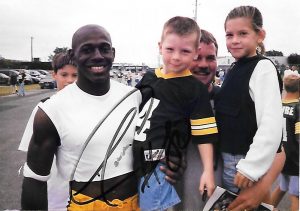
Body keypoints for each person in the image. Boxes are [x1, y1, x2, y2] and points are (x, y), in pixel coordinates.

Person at [21, 24, 183, 211]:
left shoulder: (134, 97)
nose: (97, 55)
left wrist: (172, 158)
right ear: (73, 55)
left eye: (104, 48)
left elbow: (154, 140)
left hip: (137, 204)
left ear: (112, 53)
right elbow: (35, 180)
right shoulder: (51, 111)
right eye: (87, 49)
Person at [183, 28, 286, 211]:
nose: (204, 65)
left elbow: (279, 151)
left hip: (230, 202)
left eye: (211, 57)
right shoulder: (167, 102)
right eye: (196, 57)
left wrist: (261, 189)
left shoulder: (233, 100)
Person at [133, 16, 218, 211]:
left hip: (160, 165)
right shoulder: (148, 77)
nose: (176, 57)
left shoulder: (194, 89)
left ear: (195, 52)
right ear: (160, 46)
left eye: (185, 51)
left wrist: (207, 171)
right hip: (134, 161)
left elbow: (204, 134)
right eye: (170, 49)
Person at [215, 5, 283, 194]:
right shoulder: (237, 68)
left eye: (242, 33)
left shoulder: (263, 67)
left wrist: (250, 168)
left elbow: (271, 123)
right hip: (230, 158)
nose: (235, 40)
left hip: (241, 162)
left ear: (260, 35)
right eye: (229, 35)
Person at [18, 52, 77, 210]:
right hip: (54, 195)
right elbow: (32, 161)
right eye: (64, 74)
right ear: (54, 75)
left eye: (75, 75)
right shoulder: (44, 110)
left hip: (84, 196)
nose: (70, 81)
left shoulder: (91, 111)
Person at [271, 73, 299, 211]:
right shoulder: (297, 108)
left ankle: (266, 208)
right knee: (296, 195)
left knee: (282, 187)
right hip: (295, 158)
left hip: (280, 156)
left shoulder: (277, 105)